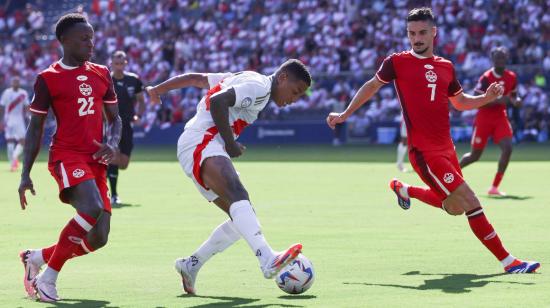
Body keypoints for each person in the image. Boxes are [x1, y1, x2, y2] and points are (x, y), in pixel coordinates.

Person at [327, 7, 539, 274]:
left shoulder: (446, 67)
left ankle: (405, 189)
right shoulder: (396, 62)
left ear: (433, 33)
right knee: (471, 200)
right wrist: (345, 113)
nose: (416, 38)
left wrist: (487, 97)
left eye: (422, 32)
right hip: (425, 153)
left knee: (455, 208)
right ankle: (509, 262)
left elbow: (460, 102)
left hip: (447, 149)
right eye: (411, 33)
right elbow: (371, 85)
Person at [146, 59, 311, 294]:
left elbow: (197, 79)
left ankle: (190, 265)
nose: (293, 99)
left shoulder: (244, 77)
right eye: (295, 92)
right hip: (201, 140)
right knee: (238, 195)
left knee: (241, 217)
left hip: (199, 144)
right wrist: (231, 143)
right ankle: (266, 259)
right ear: (283, 77)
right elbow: (217, 101)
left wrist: (157, 89)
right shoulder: (259, 86)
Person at [18, 13, 121, 302]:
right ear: (64, 41)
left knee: (99, 237)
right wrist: (25, 174)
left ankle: (35, 257)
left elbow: (115, 119)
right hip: (67, 155)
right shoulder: (48, 79)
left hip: (96, 160)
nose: (91, 43)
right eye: (84, 38)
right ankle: (48, 279)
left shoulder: (102, 72)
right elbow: (35, 127)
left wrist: (111, 143)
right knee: (91, 207)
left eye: (92, 37)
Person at [459, 47, 520, 196]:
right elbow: (476, 99)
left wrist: (516, 100)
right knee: (475, 156)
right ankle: (450, 175)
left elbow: (513, 95)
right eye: (498, 58)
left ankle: (494, 188)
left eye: (503, 58)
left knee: (508, 148)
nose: (500, 61)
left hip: (500, 118)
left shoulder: (511, 76)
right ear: (493, 60)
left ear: (506, 59)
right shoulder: (486, 78)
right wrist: (498, 100)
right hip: (484, 119)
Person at [107, 50, 145, 205]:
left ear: (126, 63)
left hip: (127, 125)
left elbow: (141, 100)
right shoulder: (106, 80)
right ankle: (114, 195)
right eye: (116, 63)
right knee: (113, 158)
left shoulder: (133, 80)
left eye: (121, 63)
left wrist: (138, 116)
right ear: (111, 64)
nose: (119, 66)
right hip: (110, 125)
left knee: (123, 164)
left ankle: (103, 171)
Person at [0, 77, 30, 171]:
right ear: (11, 83)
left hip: (19, 120)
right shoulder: (6, 92)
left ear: (19, 83)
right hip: (8, 119)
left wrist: (28, 117)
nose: (15, 83)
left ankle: (14, 157)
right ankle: (12, 164)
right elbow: (2, 107)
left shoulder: (23, 93)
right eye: (14, 82)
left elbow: (26, 106)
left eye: (17, 82)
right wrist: (1, 120)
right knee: (10, 141)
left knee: (23, 140)